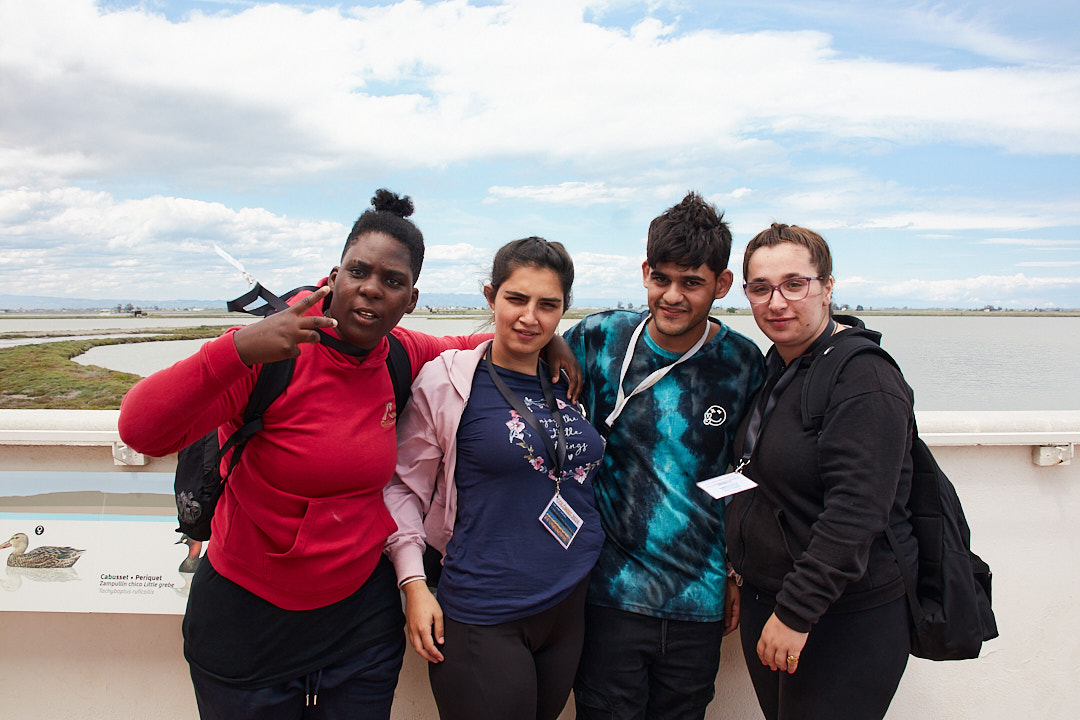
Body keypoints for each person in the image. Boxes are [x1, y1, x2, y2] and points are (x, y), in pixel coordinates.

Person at [117, 192, 580, 720]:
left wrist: (548, 343)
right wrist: (238, 348)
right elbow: (141, 430)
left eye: (393, 281)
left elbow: (473, 344)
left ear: (411, 299)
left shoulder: (401, 352)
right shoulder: (269, 352)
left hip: (359, 627)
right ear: (335, 276)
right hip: (247, 617)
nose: (372, 289)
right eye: (359, 271)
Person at [384, 236, 606, 720]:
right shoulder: (449, 381)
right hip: (486, 609)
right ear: (491, 296)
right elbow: (401, 487)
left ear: (563, 309)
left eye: (547, 305)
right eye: (516, 299)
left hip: (569, 601)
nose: (530, 317)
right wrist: (414, 584)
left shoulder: (568, 381)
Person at [565, 192, 766, 720]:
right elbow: (518, 354)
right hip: (608, 595)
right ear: (645, 272)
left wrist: (735, 574)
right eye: (661, 279)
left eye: (692, 283)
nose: (672, 296)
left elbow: (750, 474)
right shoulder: (599, 337)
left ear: (722, 284)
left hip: (698, 598)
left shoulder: (742, 364)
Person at [725, 223, 917, 720]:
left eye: (795, 284)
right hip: (773, 597)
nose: (777, 303)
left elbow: (857, 511)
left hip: (840, 615)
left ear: (827, 287)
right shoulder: (780, 365)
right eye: (761, 288)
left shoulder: (864, 378)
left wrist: (795, 612)